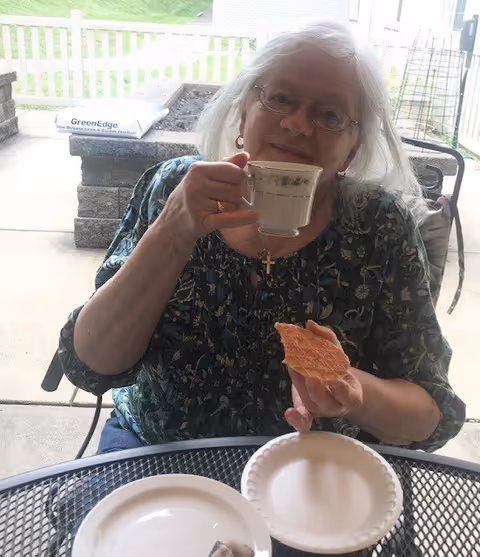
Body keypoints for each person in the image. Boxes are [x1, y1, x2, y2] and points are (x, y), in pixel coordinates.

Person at [58, 20, 465, 454]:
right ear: (243, 111)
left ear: (352, 146)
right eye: (281, 98)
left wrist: (356, 393)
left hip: (308, 467)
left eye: (329, 115)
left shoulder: (379, 225)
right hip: (158, 451)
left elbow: (431, 415)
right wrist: (172, 229)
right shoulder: (175, 187)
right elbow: (91, 365)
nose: (297, 123)